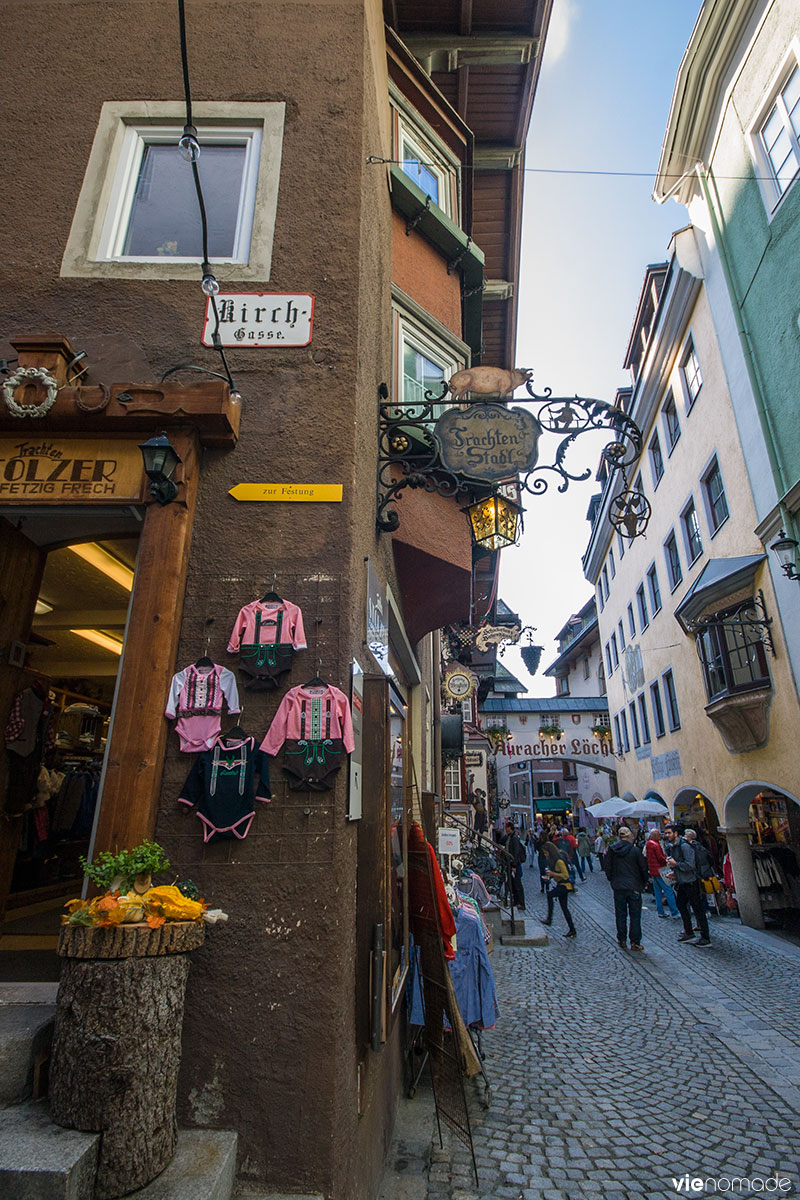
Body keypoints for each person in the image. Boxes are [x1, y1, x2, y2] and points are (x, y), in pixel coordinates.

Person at [663, 823, 711, 947]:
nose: (667, 835)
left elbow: (690, 865)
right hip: (683, 881)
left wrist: (676, 865)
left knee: (698, 909)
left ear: (675, 833)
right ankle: (688, 931)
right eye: (666, 833)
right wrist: (674, 873)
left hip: (691, 882)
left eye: (669, 833)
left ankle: (705, 937)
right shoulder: (674, 846)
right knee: (681, 904)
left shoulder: (684, 846)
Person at [603, 825, 648, 950]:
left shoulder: (612, 850)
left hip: (618, 886)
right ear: (629, 836)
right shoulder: (635, 851)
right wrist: (644, 883)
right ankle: (635, 941)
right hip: (634, 885)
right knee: (635, 915)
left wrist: (612, 880)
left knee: (620, 914)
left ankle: (622, 939)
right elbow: (643, 868)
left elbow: (608, 867)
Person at [540, 840, 576, 938]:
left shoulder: (559, 861)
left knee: (550, 895)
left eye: (546, 853)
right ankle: (572, 929)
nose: (545, 855)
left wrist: (552, 874)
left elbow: (565, 875)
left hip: (565, 885)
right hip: (561, 885)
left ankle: (549, 918)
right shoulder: (554, 861)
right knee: (564, 908)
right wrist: (550, 877)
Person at [644, 829, 680, 919]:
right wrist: (667, 860)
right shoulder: (655, 845)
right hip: (660, 871)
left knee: (658, 892)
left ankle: (660, 911)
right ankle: (674, 912)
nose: (661, 836)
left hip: (653, 871)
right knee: (668, 891)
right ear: (655, 835)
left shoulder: (648, 844)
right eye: (659, 834)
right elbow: (660, 858)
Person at [503, 820, 526, 911]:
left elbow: (516, 852)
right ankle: (516, 901)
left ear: (511, 829)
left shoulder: (514, 838)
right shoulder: (509, 837)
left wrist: (514, 865)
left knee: (517, 884)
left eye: (507, 829)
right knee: (512, 883)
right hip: (510, 864)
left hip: (514, 864)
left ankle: (521, 902)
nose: (506, 831)